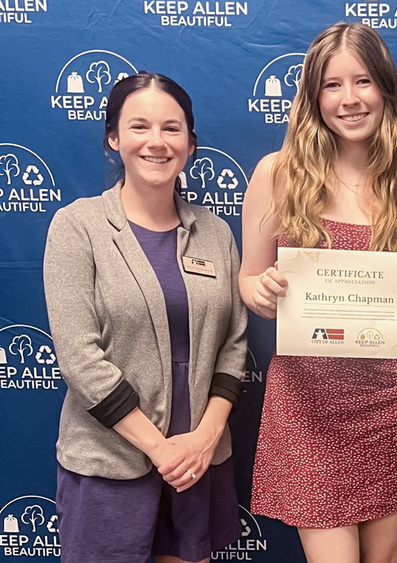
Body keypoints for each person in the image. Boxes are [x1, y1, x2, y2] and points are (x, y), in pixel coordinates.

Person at [239, 22, 397, 563]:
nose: (350, 99)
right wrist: (260, 290)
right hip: (307, 405)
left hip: (391, 403)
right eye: (332, 85)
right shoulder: (278, 175)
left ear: (386, 91)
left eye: (363, 82)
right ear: (313, 96)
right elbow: (247, 279)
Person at [42, 72, 246, 563]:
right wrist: (161, 450)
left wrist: (203, 439)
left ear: (191, 144)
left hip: (198, 462)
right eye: (139, 127)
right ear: (114, 137)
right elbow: (78, 357)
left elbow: (234, 344)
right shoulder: (77, 227)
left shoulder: (216, 233)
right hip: (111, 464)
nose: (157, 142)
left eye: (172, 128)